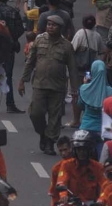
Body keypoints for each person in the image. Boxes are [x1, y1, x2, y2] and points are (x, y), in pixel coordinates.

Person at [18, 14, 79, 155]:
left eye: (54, 25)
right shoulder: (39, 40)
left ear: (60, 28)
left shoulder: (67, 46)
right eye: (49, 24)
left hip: (57, 87)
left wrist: (75, 90)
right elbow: (30, 61)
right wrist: (22, 80)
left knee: (55, 116)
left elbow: (73, 69)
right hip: (39, 84)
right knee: (35, 113)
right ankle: (43, 133)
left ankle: (50, 143)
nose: (50, 27)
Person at [0, 0, 25, 114]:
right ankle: (10, 104)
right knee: (8, 76)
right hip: (9, 48)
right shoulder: (14, 12)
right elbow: (21, 29)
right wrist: (12, 37)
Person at [56, 130, 105, 203]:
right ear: (74, 150)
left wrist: (101, 199)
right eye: (79, 149)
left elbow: (105, 186)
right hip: (71, 203)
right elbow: (61, 181)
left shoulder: (98, 167)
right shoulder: (66, 165)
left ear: (90, 150)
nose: (82, 152)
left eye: (84, 149)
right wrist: (63, 195)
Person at [78, 60, 112, 154]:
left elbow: (80, 105)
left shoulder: (84, 89)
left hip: (86, 128)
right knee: (102, 160)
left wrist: (85, 84)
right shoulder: (111, 92)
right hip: (104, 130)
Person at [48, 136, 73, 205]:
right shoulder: (56, 168)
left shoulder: (81, 163)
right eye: (61, 151)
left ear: (71, 148)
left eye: (65, 150)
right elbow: (54, 193)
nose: (63, 153)